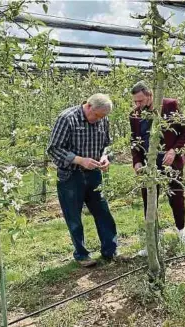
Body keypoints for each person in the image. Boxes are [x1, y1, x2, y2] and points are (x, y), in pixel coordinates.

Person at [47, 93, 117, 267]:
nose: (98, 120)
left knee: (103, 212)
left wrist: (105, 157)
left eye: (102, 117)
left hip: (94, 175)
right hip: (71, 176)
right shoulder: (67, 119)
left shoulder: (102, 119)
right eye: (97, 116)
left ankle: (110, 250)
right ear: (88, 106)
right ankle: (81, 254)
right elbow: (54, 149)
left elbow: (107, 144)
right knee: (74, 217)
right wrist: (80, 160)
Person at [129, 81, 185, 256]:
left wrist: (174, 150)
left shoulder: (170, 105)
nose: (137, 105)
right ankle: (152, 241)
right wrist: (136, 161)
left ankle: (182, 232)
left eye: (140, 101)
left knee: (176, 196)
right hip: (148, 166)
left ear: (150, 95)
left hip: (170, 162)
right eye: (135, 101)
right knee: (149, 201)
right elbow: (134, 141)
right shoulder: (135, 115)